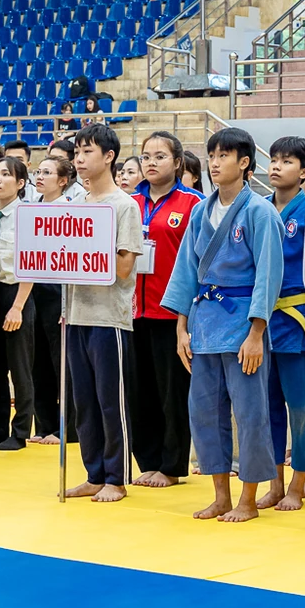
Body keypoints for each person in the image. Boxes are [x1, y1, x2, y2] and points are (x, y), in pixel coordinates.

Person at [161, 128, 284, 521]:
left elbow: (269, 275)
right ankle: (220, 495)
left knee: (250, 414)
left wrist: (257, 333)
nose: (214, 164)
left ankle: (248, 498)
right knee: (204, 413)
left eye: (223, 156)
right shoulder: (200, 211)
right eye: (211, 156)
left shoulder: (260, 212)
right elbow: (185, 271)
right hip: (204, 323)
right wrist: (181, 328)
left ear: (244, 163)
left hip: (243, 323)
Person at [60, 125, 145, 502]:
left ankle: (117, 477)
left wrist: (88, 255)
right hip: (75, 314)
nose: (79, 159)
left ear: (109, 156)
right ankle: (94, 473)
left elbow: (125, 267)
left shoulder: (124, 205)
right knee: (84, 402)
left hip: (109, 318)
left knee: (112, 401)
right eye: (77, 152)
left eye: (87, 152)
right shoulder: (73, 205)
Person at [130, 131, 202, 488]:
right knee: (139, 391)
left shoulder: (193, 204)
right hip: (132, 311)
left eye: (160, 156)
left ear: (177, 162)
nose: (151, 162)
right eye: (146, 156)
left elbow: (199, 262)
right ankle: (148, 459)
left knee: (173, 393)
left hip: (172, 314)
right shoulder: (130, 202)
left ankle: (172, 466)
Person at [262, 136, 305, 510]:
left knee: (301, 407)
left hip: (299, 323)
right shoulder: (257, 209)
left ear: (303, 173)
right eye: (273, 159)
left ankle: (299, 484)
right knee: (267, 407)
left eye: (286, 161)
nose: (276, 166)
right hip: (262, 323)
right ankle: (273, 483)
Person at [0, 156, 38, 451]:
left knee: (19, 368)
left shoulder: (26, 216)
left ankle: (20, 431)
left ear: (20, 183)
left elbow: (30, 266)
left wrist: (18, 307)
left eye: (5, 174)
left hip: (16, 294)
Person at [28, 156, 76, 442]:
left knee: (62, 364)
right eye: (39, 171)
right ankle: (44, 424)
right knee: (38, 362)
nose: (40, 176)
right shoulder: (30, 209)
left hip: (59, 293)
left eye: (47, 172)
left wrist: (68, 303)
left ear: (62, 181)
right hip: (33, 291)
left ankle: (67, 428)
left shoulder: (70, 211)